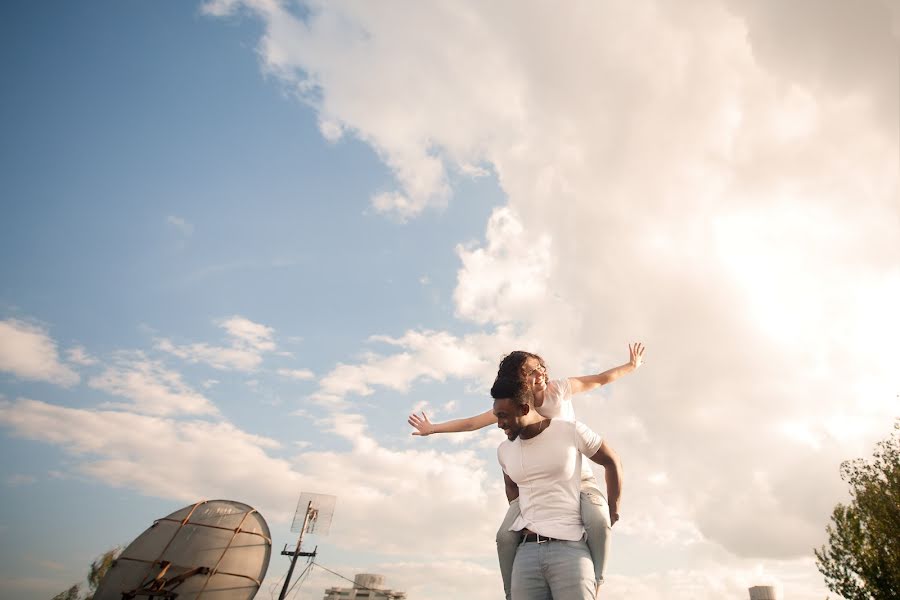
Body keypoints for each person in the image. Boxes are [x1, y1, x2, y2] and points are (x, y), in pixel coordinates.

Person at [407, 343, 643, 598]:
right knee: (504, 537)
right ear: (519, 382)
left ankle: (597, 578)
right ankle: (512, 591)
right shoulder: (511, 406)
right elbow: (471, 423)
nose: (539, 374)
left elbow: (599, 380)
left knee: (599, 521)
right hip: (534, 485)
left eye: (540, 368)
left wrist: (631, 366)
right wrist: (433, 429)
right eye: (530, 372)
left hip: (575, 476)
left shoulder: (559, 390)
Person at [492, 376, 622, 599]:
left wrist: (612, 509)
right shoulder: (504, 450)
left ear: (524, 408)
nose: (499, 423)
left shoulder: (570, 431)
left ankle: (598, 579)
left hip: (570, 551)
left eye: (503, 416)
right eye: (497, 416)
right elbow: (511, 487)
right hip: (526, 553)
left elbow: (611, 461)